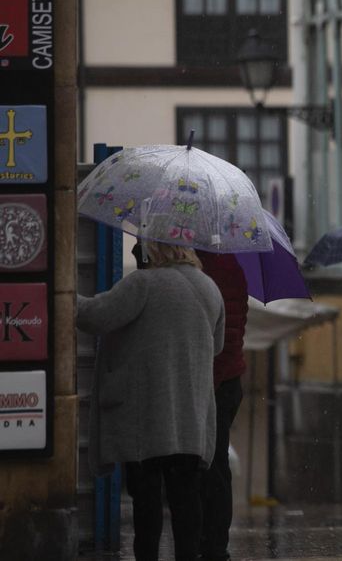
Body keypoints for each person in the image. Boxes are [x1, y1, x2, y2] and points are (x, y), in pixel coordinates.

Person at [77, 240, 225, 561]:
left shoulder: (143, 283)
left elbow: (95, 316)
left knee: (147, 508)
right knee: (186, 502)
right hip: (190, 422)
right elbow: (216, 346)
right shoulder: (210, 288)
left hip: (147, 420)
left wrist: (61, 295)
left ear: (153, 249)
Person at [194, 250, 249, 561]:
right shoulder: (234, 266)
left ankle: (210, 542)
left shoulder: (203, 268)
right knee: (216, 464)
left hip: (212, 379)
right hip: (230, 379)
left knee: (205, 464)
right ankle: (216, 542)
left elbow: (217, 335)